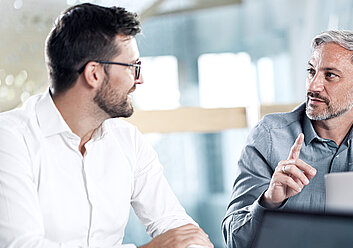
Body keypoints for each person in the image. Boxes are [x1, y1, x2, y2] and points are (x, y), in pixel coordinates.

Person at [0, 3, 213, 248]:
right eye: (133, 67)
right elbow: (22, 245)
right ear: (94, 74)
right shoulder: (10, 139)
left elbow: (177, 226)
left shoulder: (128, 140)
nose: (140, 79)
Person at [222, 30, 353, 247]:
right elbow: (235, 241)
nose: (312, 86)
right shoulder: (269, 135)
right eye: (311, 71)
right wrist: (270, 201)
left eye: (330, 75)